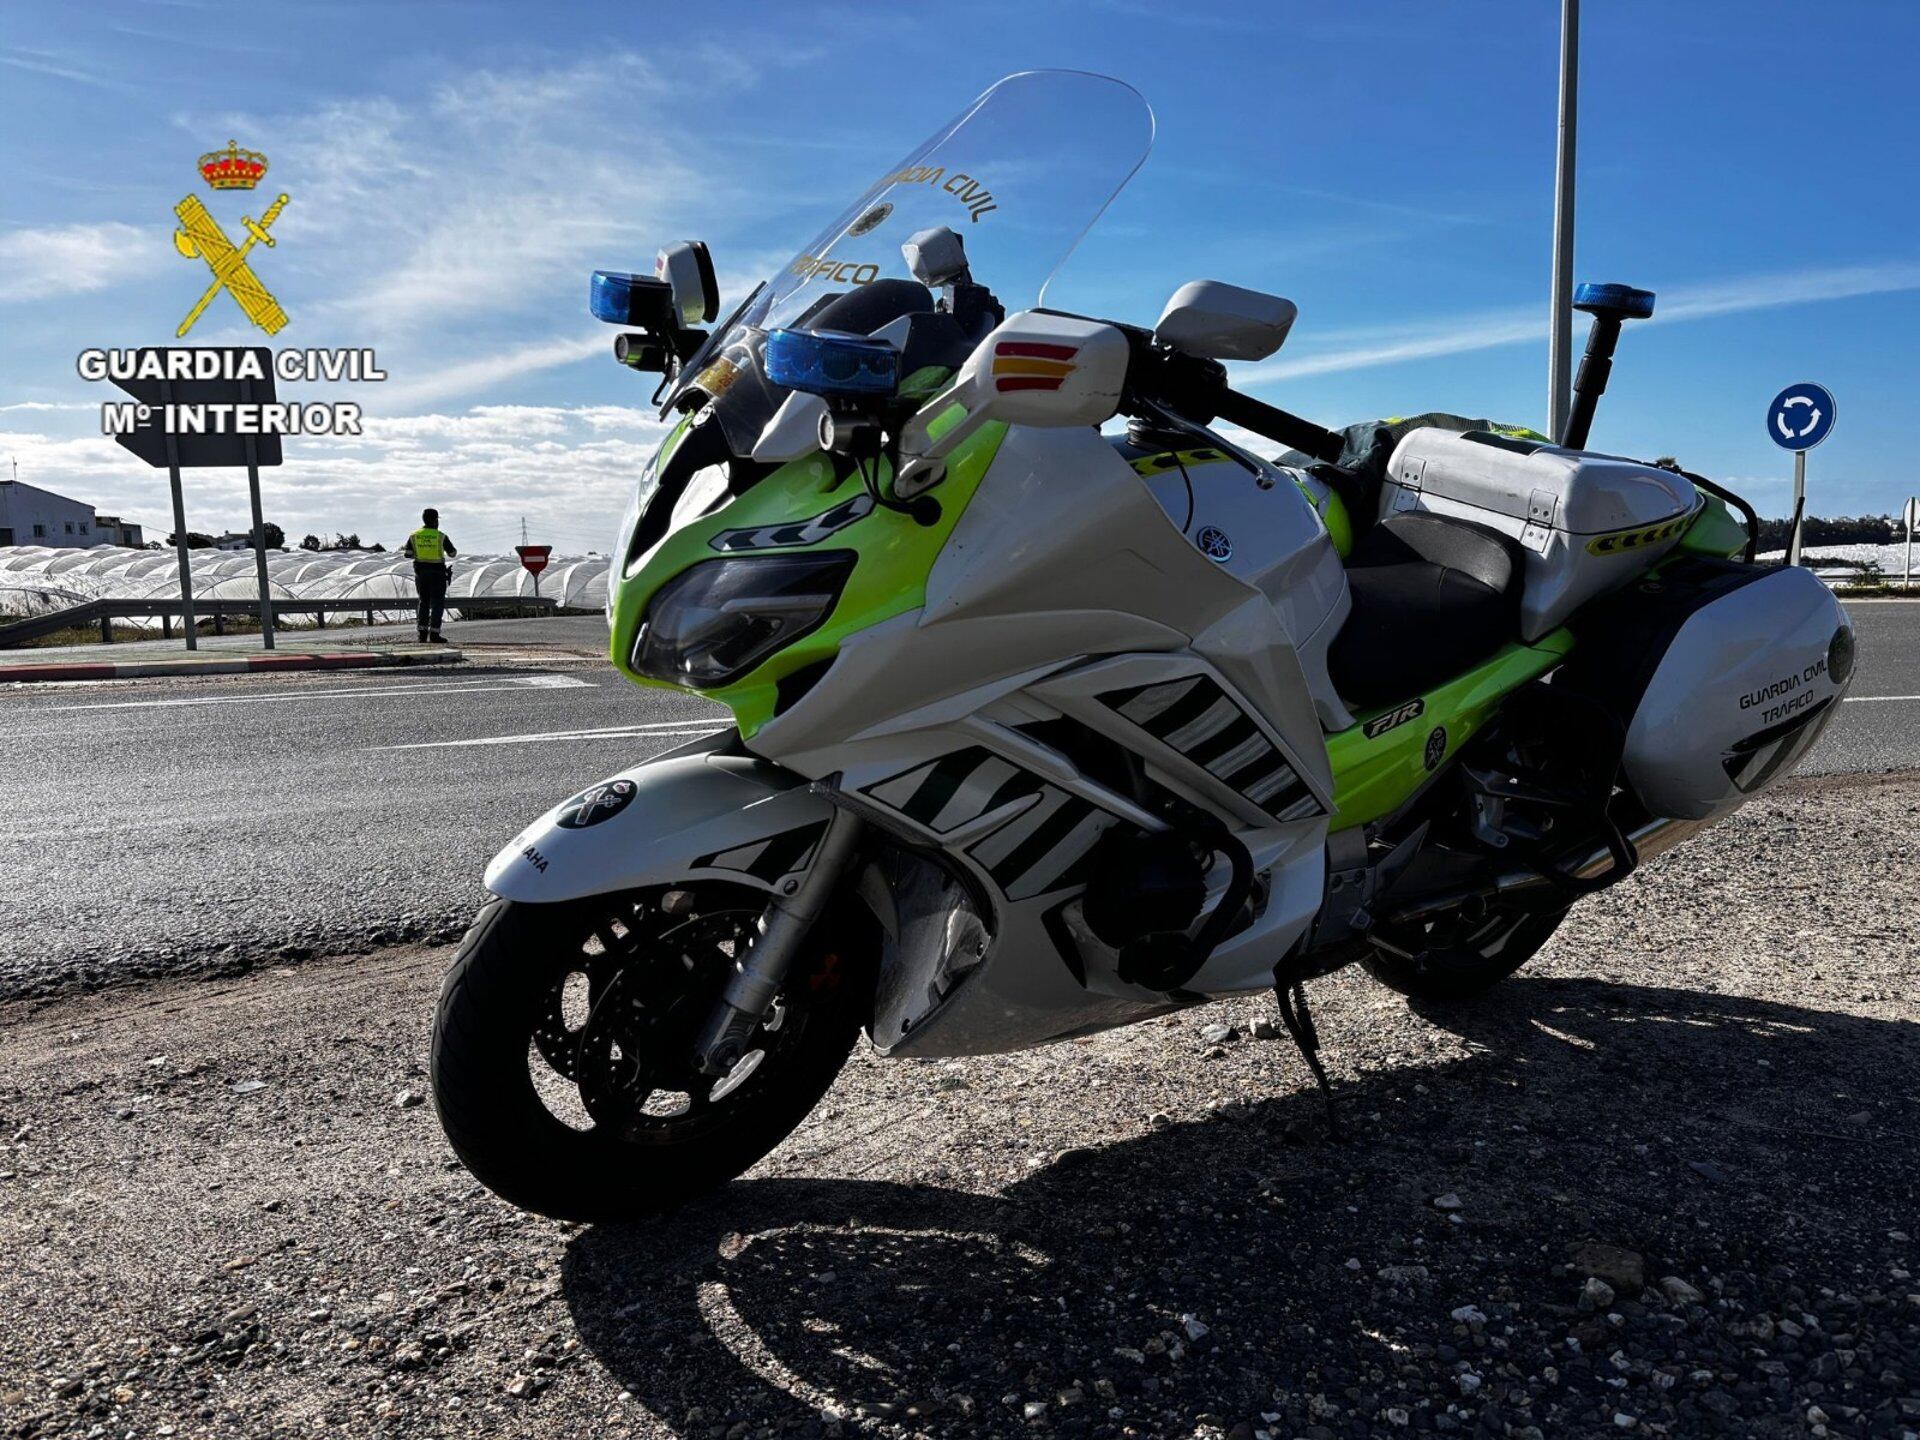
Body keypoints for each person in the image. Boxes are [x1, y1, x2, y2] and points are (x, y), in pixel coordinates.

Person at [402, 507, 457, 642]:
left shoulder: (414, 536)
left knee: (424, 602)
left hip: (421, 573)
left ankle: (422, 634)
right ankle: (434, 634)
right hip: (438, 573)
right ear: (435, 520)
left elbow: (407, 554)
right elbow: (453, 553)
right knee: (437, 603)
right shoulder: (441, 536)